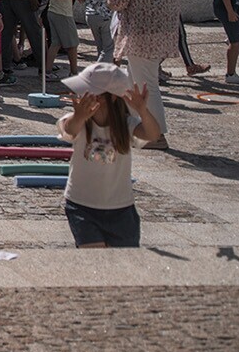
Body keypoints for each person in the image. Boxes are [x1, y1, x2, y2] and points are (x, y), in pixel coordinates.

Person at [58, 62, 162, 248]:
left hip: (120, 208)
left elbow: (153, 135)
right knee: (95, 261)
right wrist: (80, 115)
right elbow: (70, 129)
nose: (82, 96)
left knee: (121, 270)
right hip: (81, 204)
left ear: (111, 97)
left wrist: (143, 110)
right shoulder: (79, 121)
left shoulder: (126, 123)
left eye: (89, 92)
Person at [105, 0, 179, 145]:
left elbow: (115, 1)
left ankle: (155, 136)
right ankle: (134, 127)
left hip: (141, 34)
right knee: (132, 83)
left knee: (147, 86)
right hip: (163, 32)